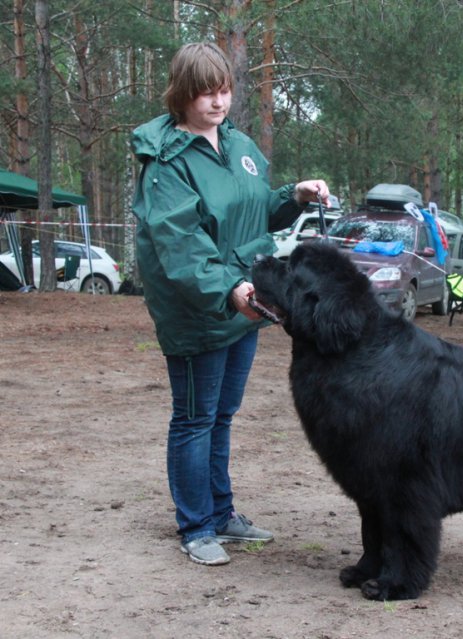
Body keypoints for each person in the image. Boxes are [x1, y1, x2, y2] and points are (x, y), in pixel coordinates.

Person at [131, 42, 330, 566]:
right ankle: (196, 527)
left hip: (245, 303)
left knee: (222, 415)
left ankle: (221, 513)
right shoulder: (165, 162)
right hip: (200, 307)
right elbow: (180, 244)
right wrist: (228, 289)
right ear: (182, 93)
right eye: (205, 93)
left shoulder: (237, 144)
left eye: (224, 90)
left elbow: (257, 209)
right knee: (195, 418)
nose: (218, 102)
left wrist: (296, 195)